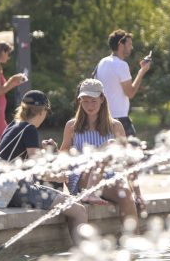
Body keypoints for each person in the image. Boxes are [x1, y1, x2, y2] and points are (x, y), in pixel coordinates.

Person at [0, 90, 87, 245]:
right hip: (17, 191)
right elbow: (38, 170)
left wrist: (44, 153)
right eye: (47, 111)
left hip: (2, 189)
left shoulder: (11, 127)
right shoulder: (29, 129)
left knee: (71, 204)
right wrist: (57, 177)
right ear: (43, 110)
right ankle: (84, 255)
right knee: (79, 210)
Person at [60, 78, 142, 233]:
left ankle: (134, 245)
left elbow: (128, 160)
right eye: (85, 101)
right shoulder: (72, 125)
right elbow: (62, 154)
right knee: (111, 144)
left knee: (126, 195)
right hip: (81, 176)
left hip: (107, 176)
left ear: (102, 99)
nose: (89, 106)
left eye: (93, 101)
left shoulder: (115, 126)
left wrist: (138, 194)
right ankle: (90, 192)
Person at [95, 29, 151, 137]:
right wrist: (142, 71)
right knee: (134, 151)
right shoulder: (121, 65)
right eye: (129, 44)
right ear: (121, 44)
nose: (131, 47)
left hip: (102, 118)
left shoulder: (102, 62)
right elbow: (130, 93)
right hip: (120, 119)